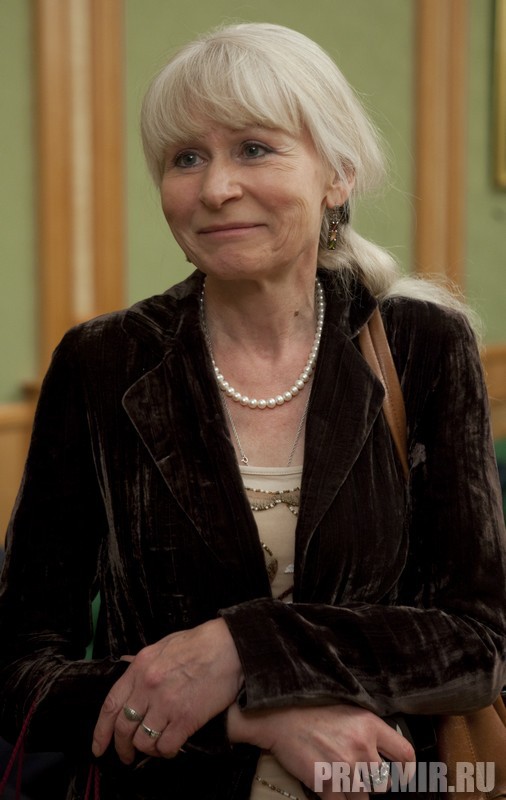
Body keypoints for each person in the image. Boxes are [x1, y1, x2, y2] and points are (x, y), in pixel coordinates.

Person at [0, 21, 505, 800]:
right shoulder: (102, 363)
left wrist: (245, 647)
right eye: (186, 158)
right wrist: (251, 717)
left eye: (255, 149)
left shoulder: (424, 345)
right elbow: (18, 667)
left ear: (337, 175)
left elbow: (476, 646)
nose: (215, 189)